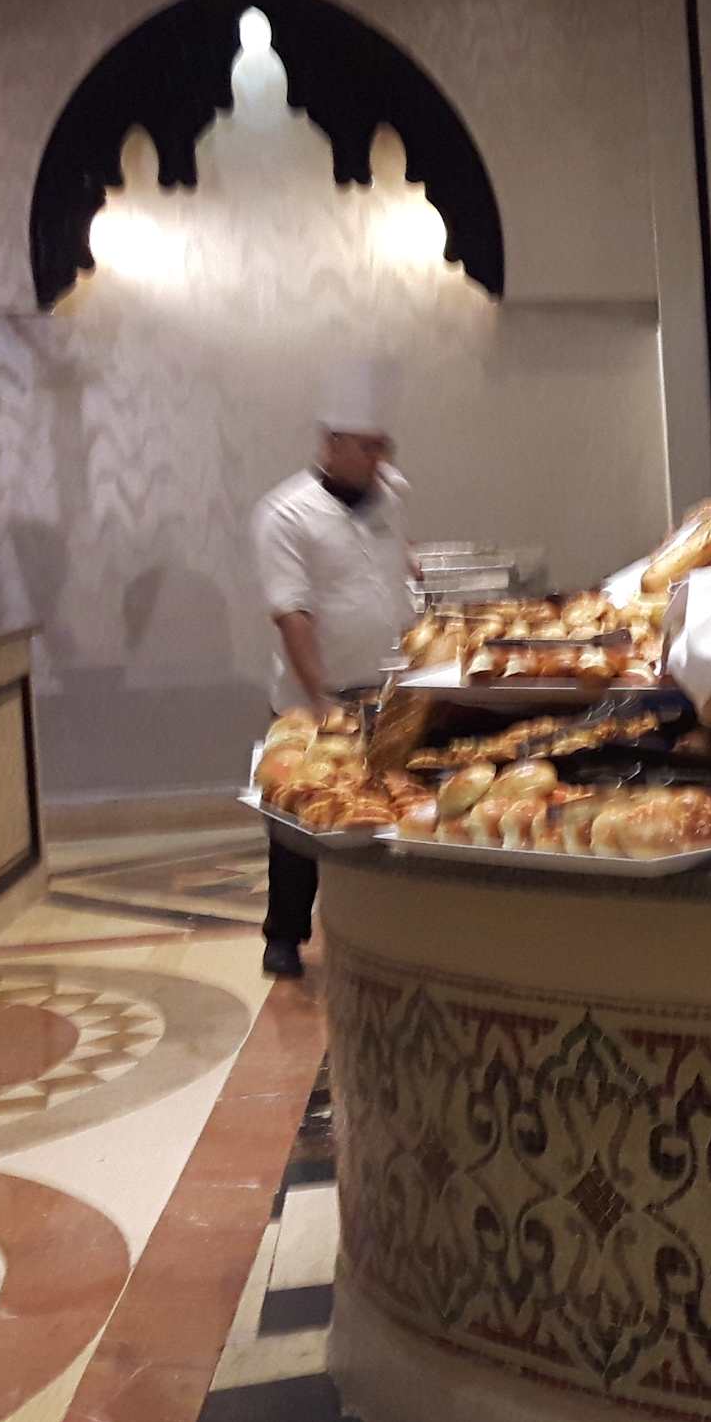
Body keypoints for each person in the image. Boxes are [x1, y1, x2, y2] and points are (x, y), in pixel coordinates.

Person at [252, 364, 415, 977]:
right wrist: (319, 697)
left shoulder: (389, 493)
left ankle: (384, 930)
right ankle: (284, 935)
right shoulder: (285, 514)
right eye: (367, 448)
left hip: (386, 689)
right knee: (302, 817)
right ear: (332, 444)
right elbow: (291, 612)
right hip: (314, 696)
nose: (379, 460)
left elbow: (392, 555)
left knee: (383, 806)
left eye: (383, 447)